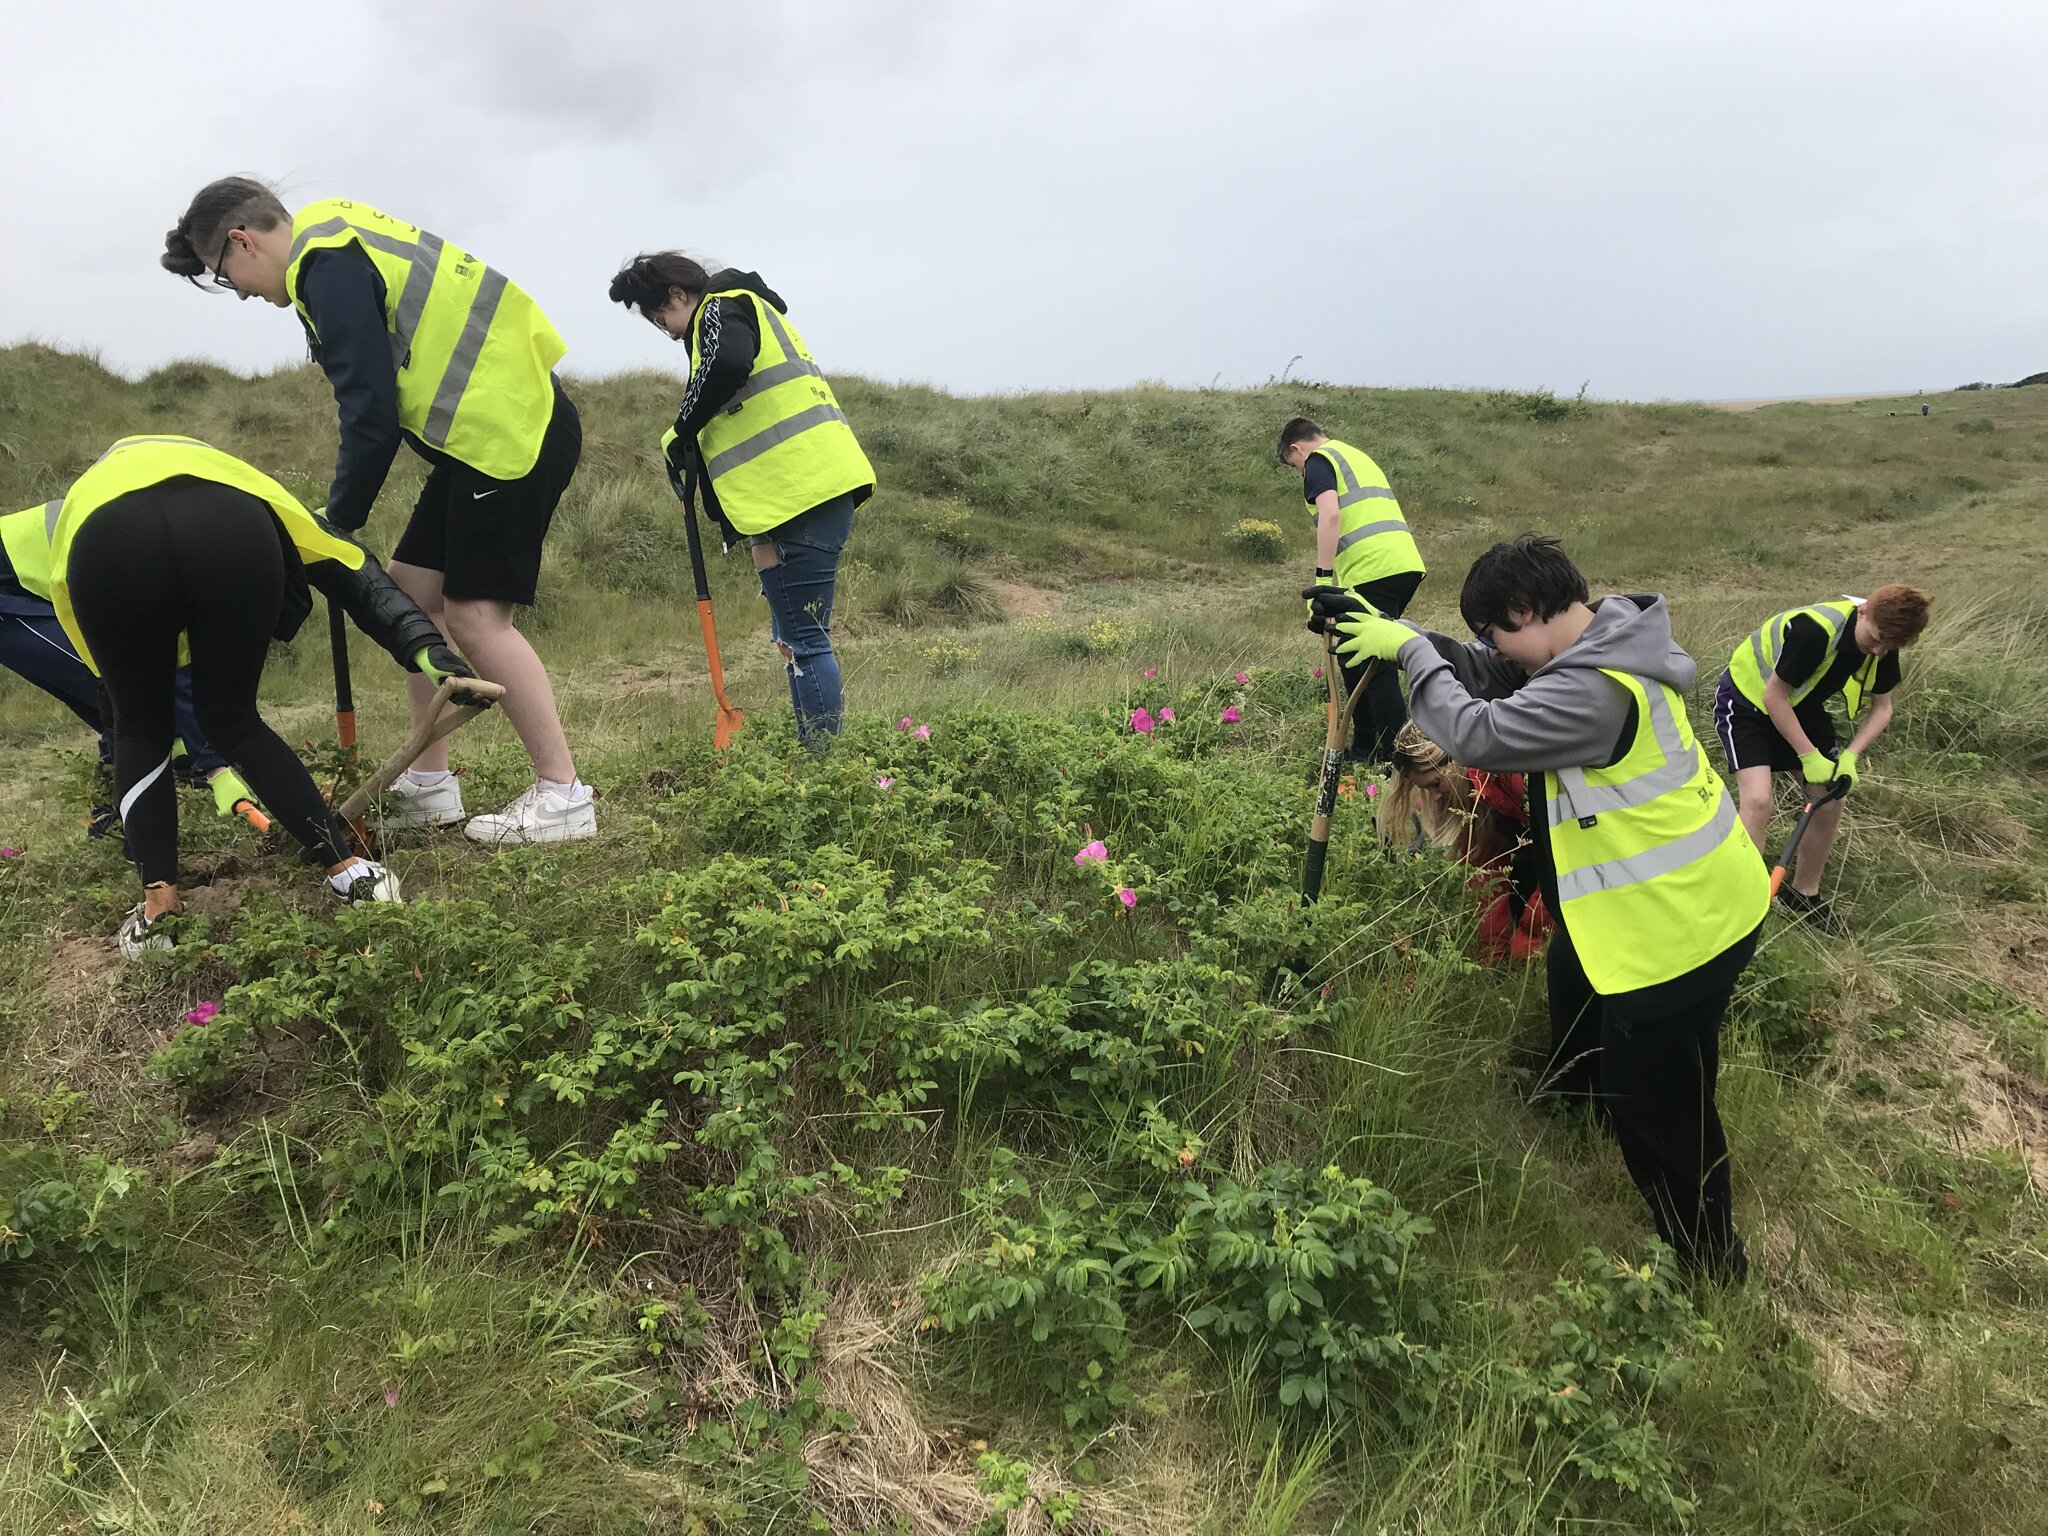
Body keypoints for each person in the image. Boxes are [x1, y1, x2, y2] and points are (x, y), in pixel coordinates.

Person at [1309, 536, 1769, 1279]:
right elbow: (1496, 670)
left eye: (1499, 631)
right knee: (1572, 976)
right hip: (1703, 899)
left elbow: (1477, 730)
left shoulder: (1597, 690)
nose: (1500, 652)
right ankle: (1572, 1095)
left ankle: (1710, 1261)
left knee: (1661, 1110)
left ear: (1525, 610)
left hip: (1677, 932)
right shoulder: (1609, 637)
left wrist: (1413, 658)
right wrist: (1397, 636)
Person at [161, 178, 593, 845]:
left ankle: (563, 794)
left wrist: (333, 523)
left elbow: (370, 412)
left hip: (510, 432)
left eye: (226, 275)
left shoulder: (324, 265)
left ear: (243, 241)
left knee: (476, 618)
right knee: (413, 595)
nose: (241, 291)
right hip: (479, 435)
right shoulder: (333, 228)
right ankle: (429, 786)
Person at [47, 434, 485, 958]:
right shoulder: (245, 479)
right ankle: (353, 874)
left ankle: (158, 916)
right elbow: (353, 572)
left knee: (139, 728)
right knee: (233, 720)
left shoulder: (85, 495)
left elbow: (113, 700)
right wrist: (426, 649)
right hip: (233, 525)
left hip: (109, 540)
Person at [607, 253, 875, 745]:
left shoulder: (721, 308)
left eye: (660, 317)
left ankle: (823, 770)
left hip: (803, 495)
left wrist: (682, 429)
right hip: (792, 498)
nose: (666, 332)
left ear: (676, 296)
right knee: (793, 641)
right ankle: (813, 753)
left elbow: (728, 364)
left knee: (806, 642)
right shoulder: (741, 311)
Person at [3, 500, 255, 831]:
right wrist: (215, 766)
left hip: (38, 573)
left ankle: (127, 788)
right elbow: (165, 659)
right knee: (109, 674)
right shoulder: (155, 558)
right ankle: (125, 798)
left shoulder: (166, 536)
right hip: (11, 593)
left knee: (112, 684)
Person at [1714, 585, 1931, 933]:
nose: (1877, 651)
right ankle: (1747, 900)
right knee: (1757, 800)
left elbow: (1883, 708)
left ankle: (1803, 895)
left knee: (1830, 801)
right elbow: (1774, 698)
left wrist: (1850, 756)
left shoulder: (1885, 642)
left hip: (1802, 707)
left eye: (1887, 647)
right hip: (1746, 704)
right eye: (1875, 639)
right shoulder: (1815, 631)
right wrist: (1808, 755)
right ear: (1863, 611)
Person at [1278, 418, 1426, 765]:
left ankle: (1397, 756)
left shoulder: (1319, 460)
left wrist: (1324, 580)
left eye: (1294, 465)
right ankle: (1366, 748)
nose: (1301, 473)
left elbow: (1330, 516)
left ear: (1297, 449)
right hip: (1400, 564)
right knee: (1354, 653)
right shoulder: (1354, 456)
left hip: (1373, 568)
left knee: (1371, 661)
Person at [1377, 722, 1551, 963]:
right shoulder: (1470, 801)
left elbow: (1568, 858)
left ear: (1454, 759)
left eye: (1436, 784)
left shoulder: (1512, 771)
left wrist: (1529, 936)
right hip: (1540, 849)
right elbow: (1487, 875)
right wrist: (1494, 954)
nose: (1436, 796)